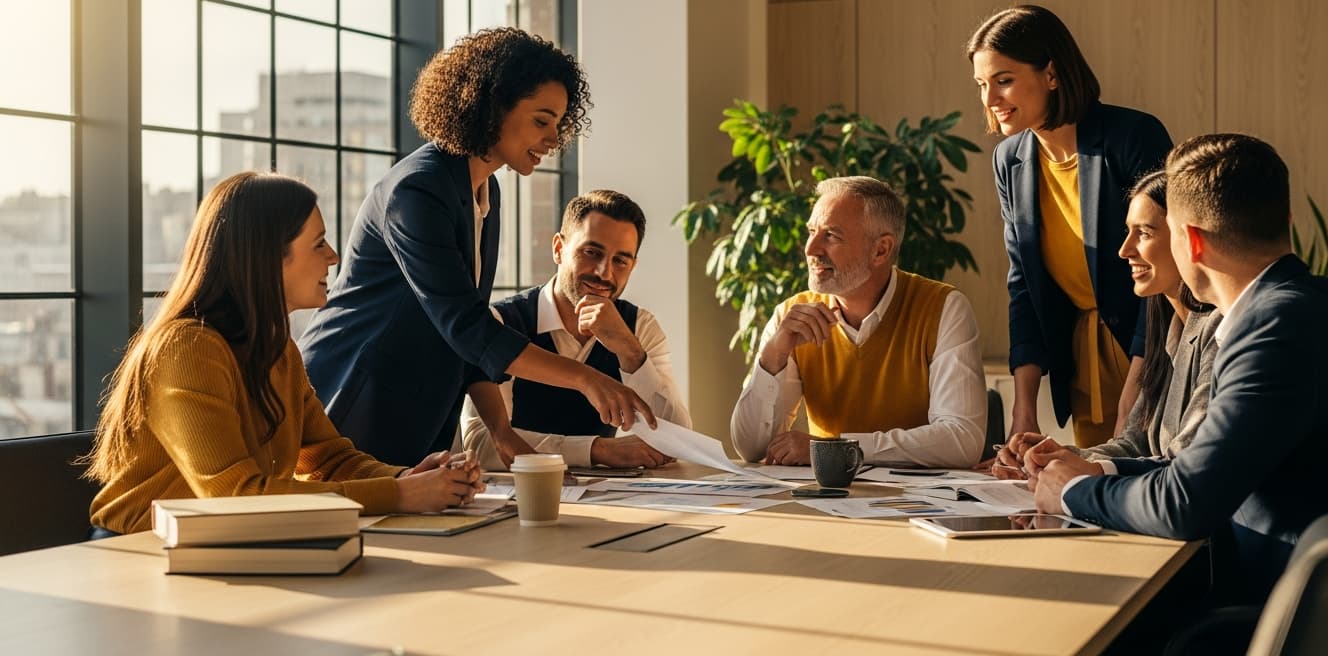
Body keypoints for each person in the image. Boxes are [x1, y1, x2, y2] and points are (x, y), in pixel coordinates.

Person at [1030, 134, 1328, 616]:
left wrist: (1071, 492)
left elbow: (1184, 503)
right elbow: (1197, 473)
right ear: (1285, 222)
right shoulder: (1296, 306)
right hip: (1283, 599)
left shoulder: (1276, 328)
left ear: (1190, 241)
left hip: (1314, 621)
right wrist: (1096, 469)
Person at [297, 28, 654, 468]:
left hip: (421, 406)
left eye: (558, 125)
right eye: (541, 121)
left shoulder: (485, 192)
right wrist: (585, 378)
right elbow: (466, 326)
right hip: (357, 391)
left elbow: (468, 331)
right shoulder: (417, 190)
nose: (552, 140)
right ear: (492, 105)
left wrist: (501, 429)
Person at [84, 173, 486, 536]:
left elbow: (327, 459)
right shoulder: (187, 349)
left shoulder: (277, 350)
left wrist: (409, 479)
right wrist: (397, 496)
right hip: (135, 554)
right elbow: (233, 498)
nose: (332, 256)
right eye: (317, 243)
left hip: (221, 548)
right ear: (268, 258)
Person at [970, 4, 1173, 447]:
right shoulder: (1009, 160)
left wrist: (1136, 389)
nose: (989, 100)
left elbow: (1166, 266)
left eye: (1004, 81)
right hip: (1081, 358)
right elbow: (1023, 283)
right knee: (1091, 493)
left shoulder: (1133, 136)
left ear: (1052, 74)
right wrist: (1024, 407)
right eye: (982, 85)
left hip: (1151, 348)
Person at [730, 176, 986, 467]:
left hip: (917, 506)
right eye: (812, 232)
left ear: (881, 250)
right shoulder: (792, 316)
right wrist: (773, 354)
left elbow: (962, 440)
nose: (810, 249)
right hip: (825, 501)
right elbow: (750, 449)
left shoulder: (943, 308)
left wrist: (838, 449)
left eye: (831, 236)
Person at [993, 171, 1220, 477]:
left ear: (1187, 239)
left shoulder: (1220, 331)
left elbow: (1186, 465)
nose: (1125, 250)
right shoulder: (1167, 327)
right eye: (1127, 232)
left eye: (1144, 233)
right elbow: (1133, 446)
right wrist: (1053, 455)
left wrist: (1086, 473)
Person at [459, 190, 691, 470]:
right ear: (558, 248)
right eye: (592, 253)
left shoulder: (639, 327)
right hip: (518, 498)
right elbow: (481, 444)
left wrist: (629, 351)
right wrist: (596, 450)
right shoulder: (502, 322)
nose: (605, 273)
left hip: (608, 499)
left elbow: (680, 441)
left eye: (621, 261)